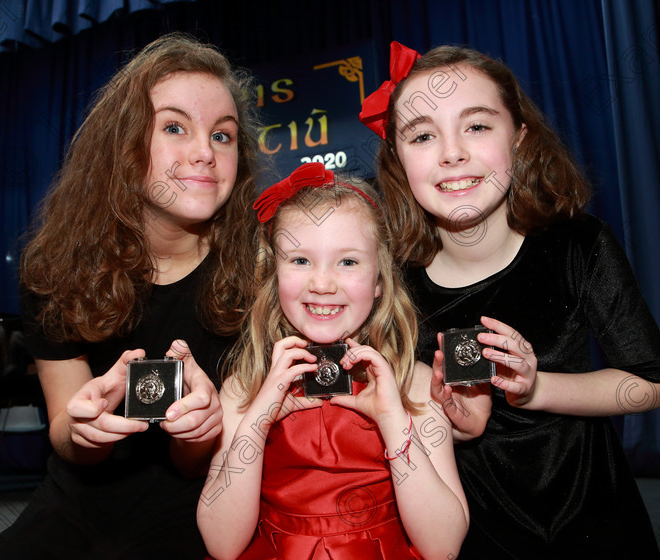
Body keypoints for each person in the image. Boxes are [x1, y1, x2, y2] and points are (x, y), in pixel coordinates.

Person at [360, 42, 660, 558]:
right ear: (396, 158)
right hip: (460, 532)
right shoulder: (383, 280)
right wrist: (441, 424)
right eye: (421, 135)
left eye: (477, 126)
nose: (452, 152)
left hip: (591, 522)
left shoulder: (579, 245)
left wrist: (533, 389)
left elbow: (650, 387)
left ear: (520, 137)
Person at [0, 32, 261, 559]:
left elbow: (201, 466)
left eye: (223, 136)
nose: (204, 152)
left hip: (203, 505)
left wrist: (200, 433)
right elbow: (67, 435)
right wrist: (84, 429)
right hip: (78, 501)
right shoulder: (55, 268)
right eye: (175, 128)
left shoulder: (263, 272)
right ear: (123, 144)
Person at [197, 162, 484, 560]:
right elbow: (222, 545)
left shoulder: (414, 385)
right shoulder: (244, 388)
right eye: (300, 260)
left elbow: (443, 546)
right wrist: (259, 419)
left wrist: (392, 420)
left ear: (380, 279)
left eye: (347, 262)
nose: (322, 283)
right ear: (273, 274)